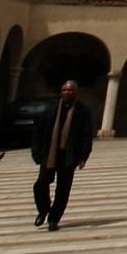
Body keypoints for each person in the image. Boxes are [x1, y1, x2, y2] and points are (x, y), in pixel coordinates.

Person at [29, 80, 95, 232]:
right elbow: (38, 131)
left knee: (63, 190)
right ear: (61, 92)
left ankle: (53, 219)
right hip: (50, 152)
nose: (67, 93)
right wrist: (36, 151)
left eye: (70, 90)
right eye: (65, 90)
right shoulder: (51, 109)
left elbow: (86, 135)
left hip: (69, 155)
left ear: (76, 92)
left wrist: (83, 156)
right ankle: (43, 209)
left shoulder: (82, 111)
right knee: (40, 183)